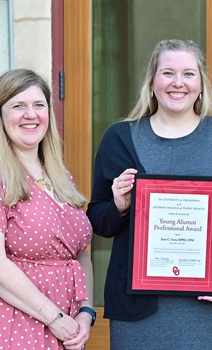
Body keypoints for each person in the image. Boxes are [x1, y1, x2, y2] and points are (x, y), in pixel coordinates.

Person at [87, 39, 212, 349]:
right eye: (168, 73)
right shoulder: (120, 138)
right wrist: (119, 206)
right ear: (152, 82)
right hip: (138, 315)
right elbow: (98, 221)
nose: (178, 83)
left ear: (201, 83)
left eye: (189, 74)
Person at [0, 68, 95, 350]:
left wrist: (86, 313)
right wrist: (53, 317)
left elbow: (81, 253)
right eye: (18, 105)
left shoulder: (61, 175)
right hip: (18, 327)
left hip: (68, 330)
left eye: (38, 105)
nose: (31, 114)